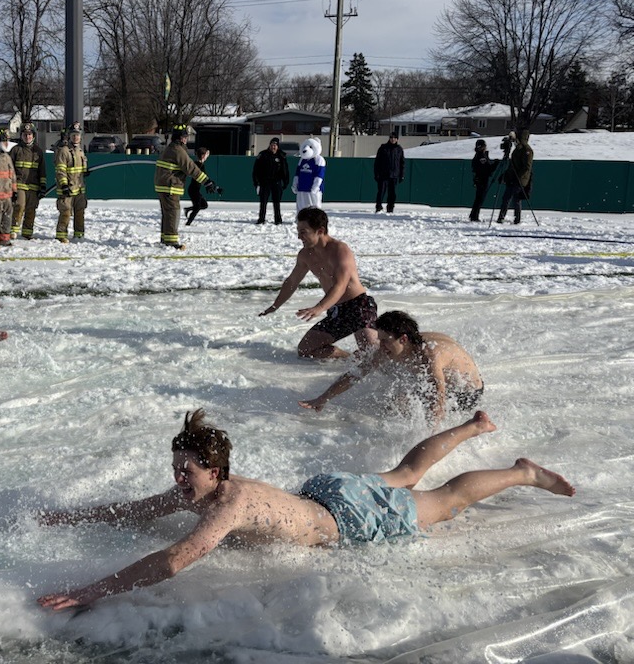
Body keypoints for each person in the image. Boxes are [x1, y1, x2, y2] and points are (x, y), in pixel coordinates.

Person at [36, 408, 574, 611]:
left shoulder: (228, 505)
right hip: (325, 493)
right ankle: (474, 426)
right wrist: (69, 517)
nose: (179, 479)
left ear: (216, 472)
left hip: (347, 518)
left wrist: (89, 591)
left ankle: (523, 472)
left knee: (444, 501)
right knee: (405, 474)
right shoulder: (199, 491)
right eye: (176, 468)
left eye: (188, 471)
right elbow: (137, 510)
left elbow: (177, 559)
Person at [299, 310, 483, 423]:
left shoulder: (429, 356)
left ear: (403, 339)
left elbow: (438, 397)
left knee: (404, 407)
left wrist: (428, 438)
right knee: (391, 406)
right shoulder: (392, 347)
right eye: (380, 340)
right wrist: (323, 398)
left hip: (465, 393)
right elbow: (356, 374)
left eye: (385, 340)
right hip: (443, 379)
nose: (381, 346)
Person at [259, 206, 378, 359]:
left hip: (359, 307)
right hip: (337, 310)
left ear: (320, 231)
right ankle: (349, 358)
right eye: (298, 231)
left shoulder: (340, 250)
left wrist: (319, 308)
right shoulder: (305, 255)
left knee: (372, 352)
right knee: (305, 350)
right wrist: (275, 305)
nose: (299, 237)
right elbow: (292, 281)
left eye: (303, 232)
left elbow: (340, 286)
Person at [155, 125, 217, 248]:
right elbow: (191, 168)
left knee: (167, 213)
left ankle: (165, 239)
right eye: (185, 137)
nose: (187, 139)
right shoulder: (178, 150)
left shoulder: (171, 148)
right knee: (173, 212)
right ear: (181, 138)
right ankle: (171, 242)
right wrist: (207, 181)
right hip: (170, 186)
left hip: (164, 185)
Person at [10, 122, 46, 240]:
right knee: (19, 206)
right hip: (19, 185)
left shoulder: (38, 151)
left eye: (30, 134)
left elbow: (42, 170)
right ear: (21, 135)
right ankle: (13, 229)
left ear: (33, 136)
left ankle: (27, 232)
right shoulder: (15, 150)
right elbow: (9, 169)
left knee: (31, 209)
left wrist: (43, 186)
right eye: (25, 134)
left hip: (34, 187)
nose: (27, 137)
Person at [54, 121, 88, 244]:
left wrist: (85, 171)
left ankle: (79, 234)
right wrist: (64, 185)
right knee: (66, 211)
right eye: (73, 135)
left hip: (79, 189)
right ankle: (61, 235)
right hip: (67, 188)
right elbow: (60, 170)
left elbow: (80, 168)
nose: (76, 137)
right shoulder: (64, 151)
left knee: (80, 212)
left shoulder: (80, 151)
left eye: (78, 135)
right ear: (69, 136)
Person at [497, 130, 534, 225]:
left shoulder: (527, 150)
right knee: (506, 198)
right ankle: (501, 217)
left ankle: (517, 219)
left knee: (516, 199)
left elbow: (527, 167)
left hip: (520, 179)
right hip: (512, 177)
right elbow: (512, 164)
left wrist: (518, 177)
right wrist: (506, 175)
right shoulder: (517, 149)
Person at [252, 137, 290, 224]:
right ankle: (261, 219)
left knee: (277, 202)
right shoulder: (263, 155)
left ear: (278, 147)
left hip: (276, 182)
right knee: (263, 202)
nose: (273, 147)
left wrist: (285, 182)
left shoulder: (281, 156)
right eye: (272, 145)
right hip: (265, 182)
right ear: (269, 145)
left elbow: (285, 170)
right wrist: (256, 182)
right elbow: (256, 170)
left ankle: (278, 219)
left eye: (275, 145)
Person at [374, 132, 405, 213]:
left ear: (397, 139)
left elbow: (402, 163)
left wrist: (401, 175)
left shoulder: (399, 149)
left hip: (394, 175)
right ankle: (378, 207)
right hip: (383, 175)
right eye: (391, 137)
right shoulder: (383, 148)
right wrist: (377, 173)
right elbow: (377, 162)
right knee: (381, 192)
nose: (393, 139)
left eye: (395, 138)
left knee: (392, 193)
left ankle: (390, 208)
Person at [293, 138, 326, 212]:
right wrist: (295, 184)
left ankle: (315, 218)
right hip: (301, 188)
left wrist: (315, 186)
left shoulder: (319, 159)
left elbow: (319, 175)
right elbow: (297, 173)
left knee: (313, 207)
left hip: (312, 190)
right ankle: (300, 217)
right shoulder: (302, 160)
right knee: (301, 206)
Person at [469, 139, 496, 222]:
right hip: (482, 179)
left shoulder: (479, 155)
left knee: (478, 198)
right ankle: (474, 215)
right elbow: (486, 169)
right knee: (480, 198)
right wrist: (495, 164)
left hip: (480, 179)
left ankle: (473, 214)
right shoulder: (481, 156)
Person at [184, 147, 211, 226]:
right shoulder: (197, 165)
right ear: (203, 156)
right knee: (197, 207)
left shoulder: (200, 165)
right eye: (206, 155)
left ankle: (188, 209)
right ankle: (188, 223)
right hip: (193, 190)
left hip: (195, 190)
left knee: (204, 205)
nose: (207, 156)